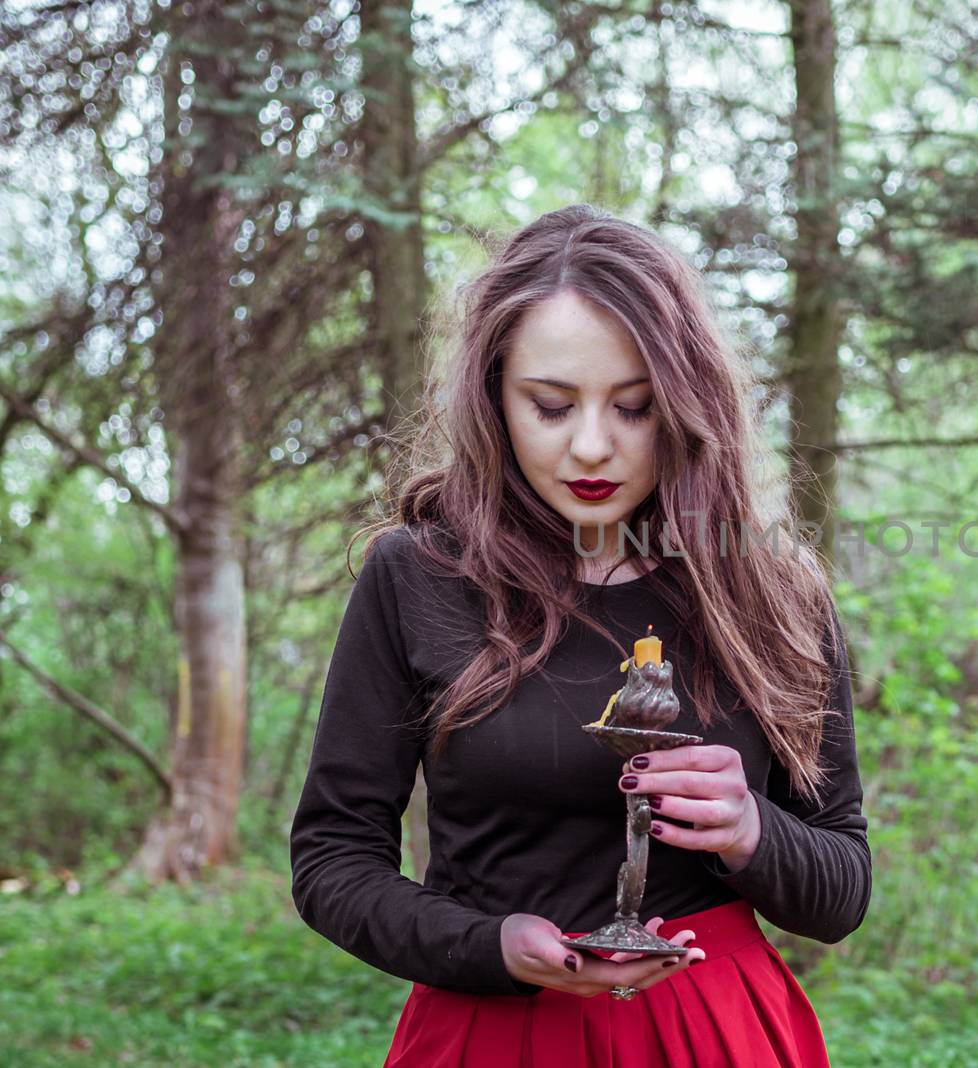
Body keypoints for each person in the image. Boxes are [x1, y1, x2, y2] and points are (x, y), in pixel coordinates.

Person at [288, 204, 871, 1067]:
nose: (592, 447)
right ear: (493, 396)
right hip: (494, 1031)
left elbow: (842, 887)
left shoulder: (768, 589)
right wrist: (485, 946)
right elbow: (334, 860)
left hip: (712, 1031)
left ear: (686, 404)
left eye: (634, 408)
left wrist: (750, 830)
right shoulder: (418, 576)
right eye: (552, 406)